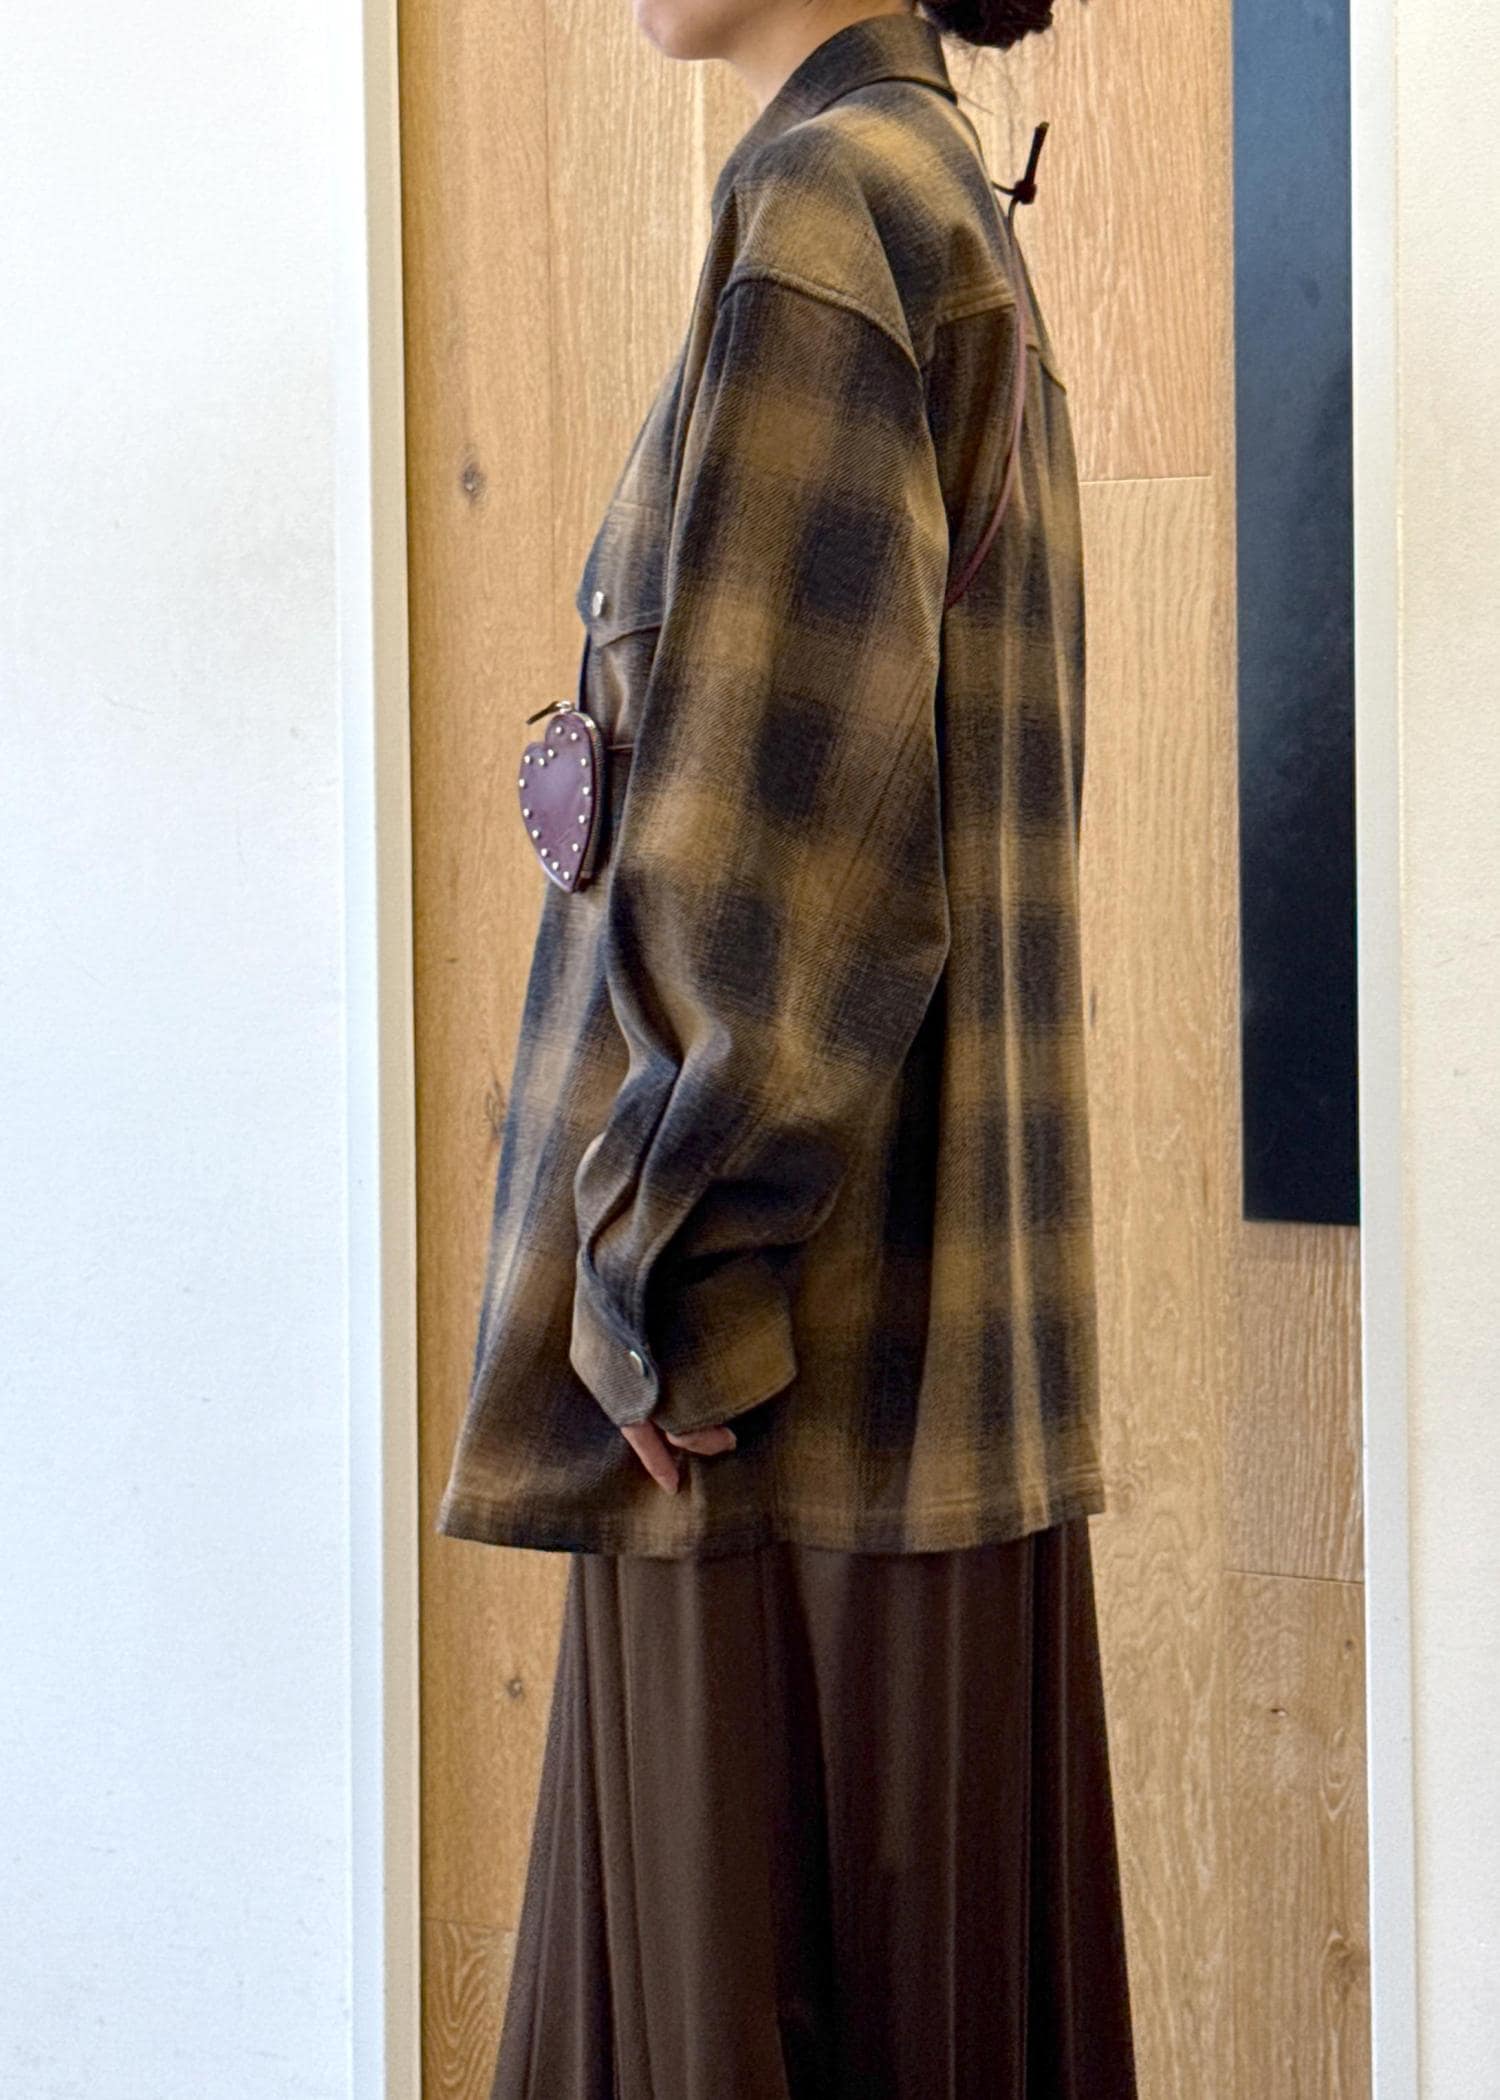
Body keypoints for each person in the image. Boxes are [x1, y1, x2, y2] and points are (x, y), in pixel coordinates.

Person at [436, 2, 1138, 2093]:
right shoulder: (926, 196)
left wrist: (661, 1273)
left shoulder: (829, 210)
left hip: (778, 1415)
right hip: (899, 1407)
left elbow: (779, 846)